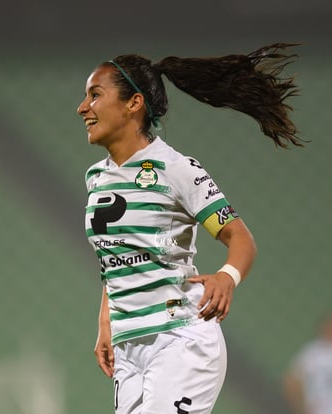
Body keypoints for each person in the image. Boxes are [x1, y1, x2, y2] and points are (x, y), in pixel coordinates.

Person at [77, 43, 302, 413]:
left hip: (178, 337)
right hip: (128, 344)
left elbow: (240, 237)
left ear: (134, 103)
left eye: (95, 95)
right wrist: (106, 321)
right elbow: (114, 257)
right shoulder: (97, 178)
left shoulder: (176, 169)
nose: (83, 108)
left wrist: (227, 277)